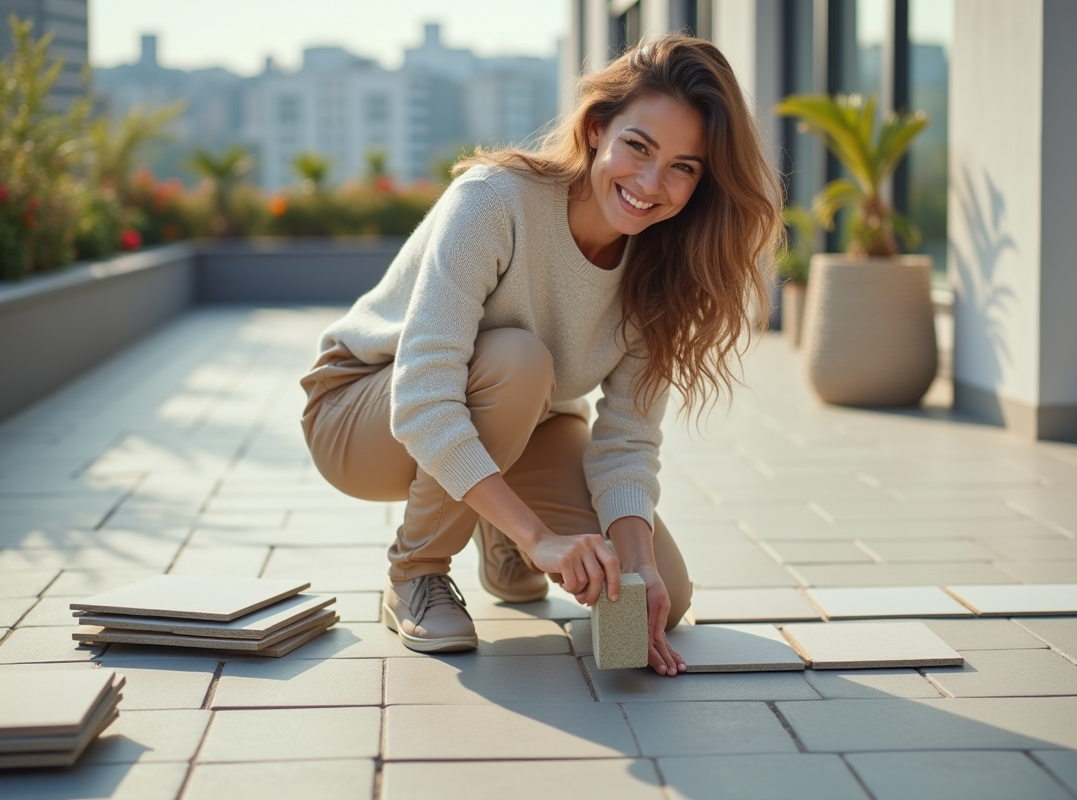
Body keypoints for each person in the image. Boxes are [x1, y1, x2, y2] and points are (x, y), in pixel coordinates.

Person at [299, 33, 782, 676]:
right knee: (519, 362)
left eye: (683, 167)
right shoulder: (496, 201)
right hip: (363, 411)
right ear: (595, 130)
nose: (649, 183)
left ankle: (496, 531)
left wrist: (637, 567)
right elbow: (422, 399)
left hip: (525, 417)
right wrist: (542, 537)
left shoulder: (664, 269)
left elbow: (628, 439)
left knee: (662, 595)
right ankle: (417, 570)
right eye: (638, 147)